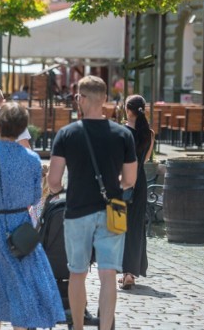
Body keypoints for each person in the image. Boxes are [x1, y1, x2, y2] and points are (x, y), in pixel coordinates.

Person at [47, 75, 137, 330]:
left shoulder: (67, 134)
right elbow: (129, 179)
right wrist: (112, 185)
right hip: (114, 210)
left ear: (80, 99)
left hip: (77, 210)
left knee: (77, 272)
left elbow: (54, 181)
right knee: (108, 274)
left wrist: (63, 187)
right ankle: (106, 326)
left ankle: (77, 326)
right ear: (105, 99)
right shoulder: (123, 135)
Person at [0, 102, 65, 329]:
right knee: (20, 289)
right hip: (21, 230)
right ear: (22, 127)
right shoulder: (32, 160)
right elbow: (35, 199)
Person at [120, 94, 154, 290]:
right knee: (135, 226)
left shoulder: (121, 132)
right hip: (140, 181)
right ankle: (130, 273)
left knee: (118, 226)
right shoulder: (148, 133)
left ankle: (123, 271)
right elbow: (145, 160)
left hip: (123, 180)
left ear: (127, 109)